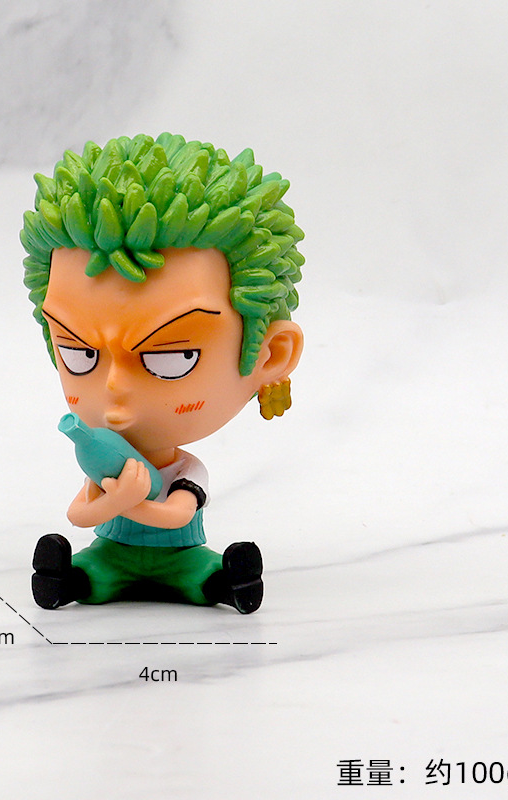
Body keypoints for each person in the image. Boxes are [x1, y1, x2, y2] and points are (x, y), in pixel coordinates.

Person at [21, 133, 304, 613]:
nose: (114, 389)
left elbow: (176, 516)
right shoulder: (102, 460)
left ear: (270, 355)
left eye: (171, 359)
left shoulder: (184, 472)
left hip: (180, 555)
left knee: (200, 574)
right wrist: (113, 501)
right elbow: (79, 514)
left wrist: (130, 501)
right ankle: (69, 579)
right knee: (93, 570)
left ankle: (226, 583)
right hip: (110, 551)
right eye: (79, 355)